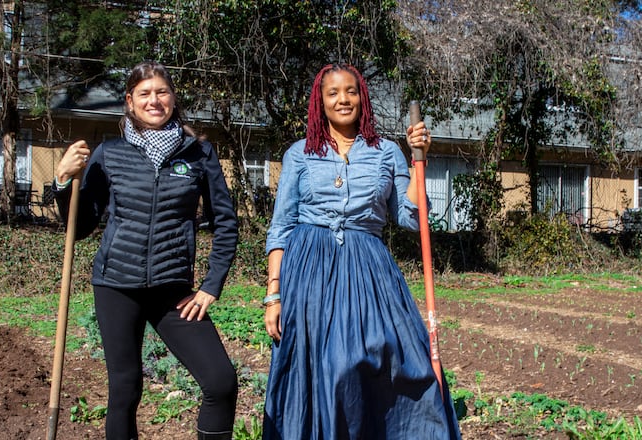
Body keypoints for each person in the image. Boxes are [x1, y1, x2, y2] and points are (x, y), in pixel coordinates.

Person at [262, 63, 461, 439]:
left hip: (368, 266)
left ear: (362, 97)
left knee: (394, 355)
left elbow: (410, 217)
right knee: (328, 367)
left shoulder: (386, 152)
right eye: (333, 92)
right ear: (319, 102)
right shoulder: (300, 154)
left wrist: (420, 159)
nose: (343, 99)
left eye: (351, 91)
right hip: (309, 268)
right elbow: (281, 226)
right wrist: (274, 294)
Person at [52, 61, 239, 440]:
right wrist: (61, 179)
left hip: (174, 291)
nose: (154, 100)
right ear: (130, 102)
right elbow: (81, 226)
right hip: (116, 285)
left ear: (173, 98)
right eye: (145, 94)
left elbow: (226, 222)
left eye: (161, 92)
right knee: (125, 388)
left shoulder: (199, 154)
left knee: (220, 382)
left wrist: (210, 285)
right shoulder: (110, 154)